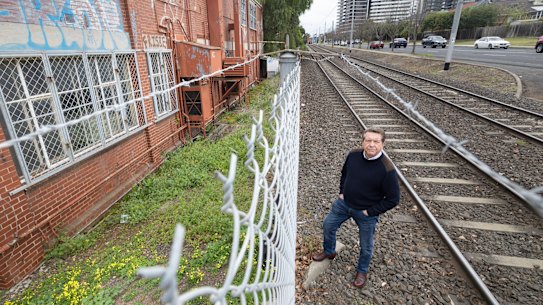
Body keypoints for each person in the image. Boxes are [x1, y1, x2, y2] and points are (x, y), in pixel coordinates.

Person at [312, 127, 400, 289]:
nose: (371, 144)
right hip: (344, 205)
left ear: (383, 144)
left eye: (376, 141)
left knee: (366, 246)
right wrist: (341, 192)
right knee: (328, 225)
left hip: (366, 212)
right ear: (363, 141)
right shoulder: (353, 155)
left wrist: (370, 212)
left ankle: (362, 271)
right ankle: (329, 251)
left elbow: (393, 199)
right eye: (368, 140)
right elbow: (344, 173)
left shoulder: (387, 169)